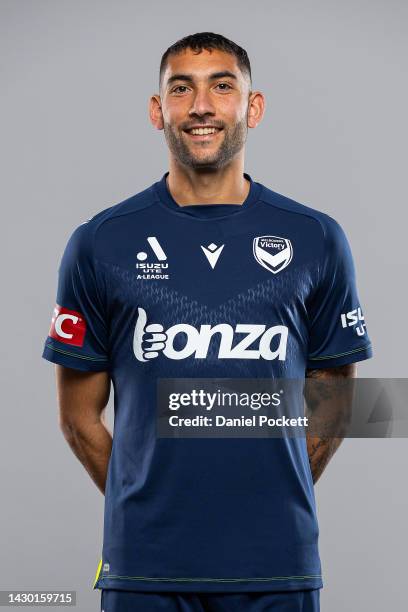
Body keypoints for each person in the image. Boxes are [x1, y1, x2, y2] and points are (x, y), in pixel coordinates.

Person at [42, 32, 372, 612]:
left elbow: (337, 399)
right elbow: (77, 419)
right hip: (144, 570)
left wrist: (270, 497)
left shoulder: (317, 237)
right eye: (180, 88)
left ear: (253, 106)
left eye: (223, 86)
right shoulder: (99, 243)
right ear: (156, 110)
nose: (201, 106)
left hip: (277, 565)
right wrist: (146, 508)